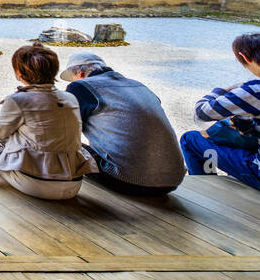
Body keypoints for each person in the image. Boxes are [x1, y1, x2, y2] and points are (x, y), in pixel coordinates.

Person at [0, 43, 98, 201]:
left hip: (38, 183)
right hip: (73, 183)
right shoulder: (70, 98)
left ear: (20, 73)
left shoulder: (19, 100)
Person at [60, 52, 185, 196]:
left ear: (80, 74)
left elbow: (64, 130)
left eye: (72, 77)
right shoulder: (139, 86)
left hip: (129, 179)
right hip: (172, 180)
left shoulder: (80, 86)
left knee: (64, 144)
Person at [179, 32, 260, 191]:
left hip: (259, 173)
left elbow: (202, 112)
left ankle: (207, 190)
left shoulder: (254, 91)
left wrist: (222, 90)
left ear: (244, 57)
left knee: (190, 140)